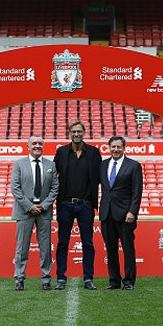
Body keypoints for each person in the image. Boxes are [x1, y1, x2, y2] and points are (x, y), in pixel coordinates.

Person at [53, 120, 102, 290]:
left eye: (79, 131)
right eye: (73, 131)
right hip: (65, 204)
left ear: (84, 133)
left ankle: (88, 278)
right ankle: (61, 278)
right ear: (70, 133)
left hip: (86, 205)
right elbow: (52, 177)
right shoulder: (61, 152)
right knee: (62, 243)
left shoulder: (94, 152)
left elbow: (101, 177)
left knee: (88, 243)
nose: (76, 134)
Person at [10, 135, 59, 291]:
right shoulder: (19, 164)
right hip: (24, 211)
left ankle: (46, 279)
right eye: (34, 143)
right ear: (28, 146)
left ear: (43, 146)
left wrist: (43, 206)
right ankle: (19, 278)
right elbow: (15, 188)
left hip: (44, 212)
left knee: (45, 248)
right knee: (22, 247)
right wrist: (29, 206)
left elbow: (55, 189)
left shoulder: (51, 165)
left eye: (40, 143)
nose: (37, 146)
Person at [99, 135, 143, 290]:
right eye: (113, 147)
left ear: (124, 148)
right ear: (109, 148)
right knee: (111, 250)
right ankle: (114, 281)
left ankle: (129, 281)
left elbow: (137, 191)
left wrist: (132, 212)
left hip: (125, 215)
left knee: (128, 249)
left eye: (119, 147)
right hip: (106, 214)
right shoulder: (103, 165)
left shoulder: (133, 166)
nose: (116, 149)